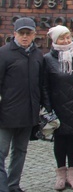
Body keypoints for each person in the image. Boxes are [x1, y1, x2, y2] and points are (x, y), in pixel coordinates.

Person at [43, 26, 73, 191]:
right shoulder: (48, 59)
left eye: (68, 37)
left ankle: (72, 174)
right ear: (54, 41)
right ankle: (61, 174)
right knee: (60, 141)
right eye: (61, 38)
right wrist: (48, 108)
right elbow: (45, 86)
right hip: (60, 107)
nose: (66, 41)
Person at [0, 18, 43, 192]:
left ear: (34, 35)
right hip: (6, 114)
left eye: (28, 33)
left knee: (20, 151)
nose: (25, 37)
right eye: (21, 33)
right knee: (1, 153)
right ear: (15, 34)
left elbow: (41, 84)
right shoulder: (3, 53)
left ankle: (13, 185)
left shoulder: (38, 55)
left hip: (28, 114)